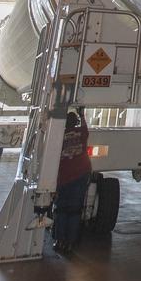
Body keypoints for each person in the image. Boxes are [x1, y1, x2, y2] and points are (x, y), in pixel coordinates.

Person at [52, 107, 92, 255]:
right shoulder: (81, 133)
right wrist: (82, 113)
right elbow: (85, 127)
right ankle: (70, 242)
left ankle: (59, 240)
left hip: (64, 177)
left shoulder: (58, 136)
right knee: (74, 211)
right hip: (81, 175)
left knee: (61, 210)